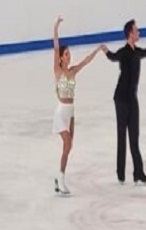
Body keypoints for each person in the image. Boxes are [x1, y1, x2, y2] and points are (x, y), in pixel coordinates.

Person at [104, 20, 146, 185]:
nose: (139, 32)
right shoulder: (124, 52)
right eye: (137, 30)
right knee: (122, 137)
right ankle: (120, 173)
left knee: (134, 137)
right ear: (130, 34)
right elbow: (113, 57)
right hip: (121, 99)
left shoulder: (137, 52)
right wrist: (105, 51)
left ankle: (138, 173)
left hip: (132, 100)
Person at [51, 16, 104, 196]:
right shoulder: (58, 71)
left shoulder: (72, 71)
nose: (69, 55)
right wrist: (56, 27)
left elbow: (86, 61)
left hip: (71, 113)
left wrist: (97, 49)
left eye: (69, 53)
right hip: (61, 112)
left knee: (69, 146)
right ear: (61, 58)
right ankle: (61, 179)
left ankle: (59, 177)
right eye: (66, 54)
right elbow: (56, 46)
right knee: (67, 144)